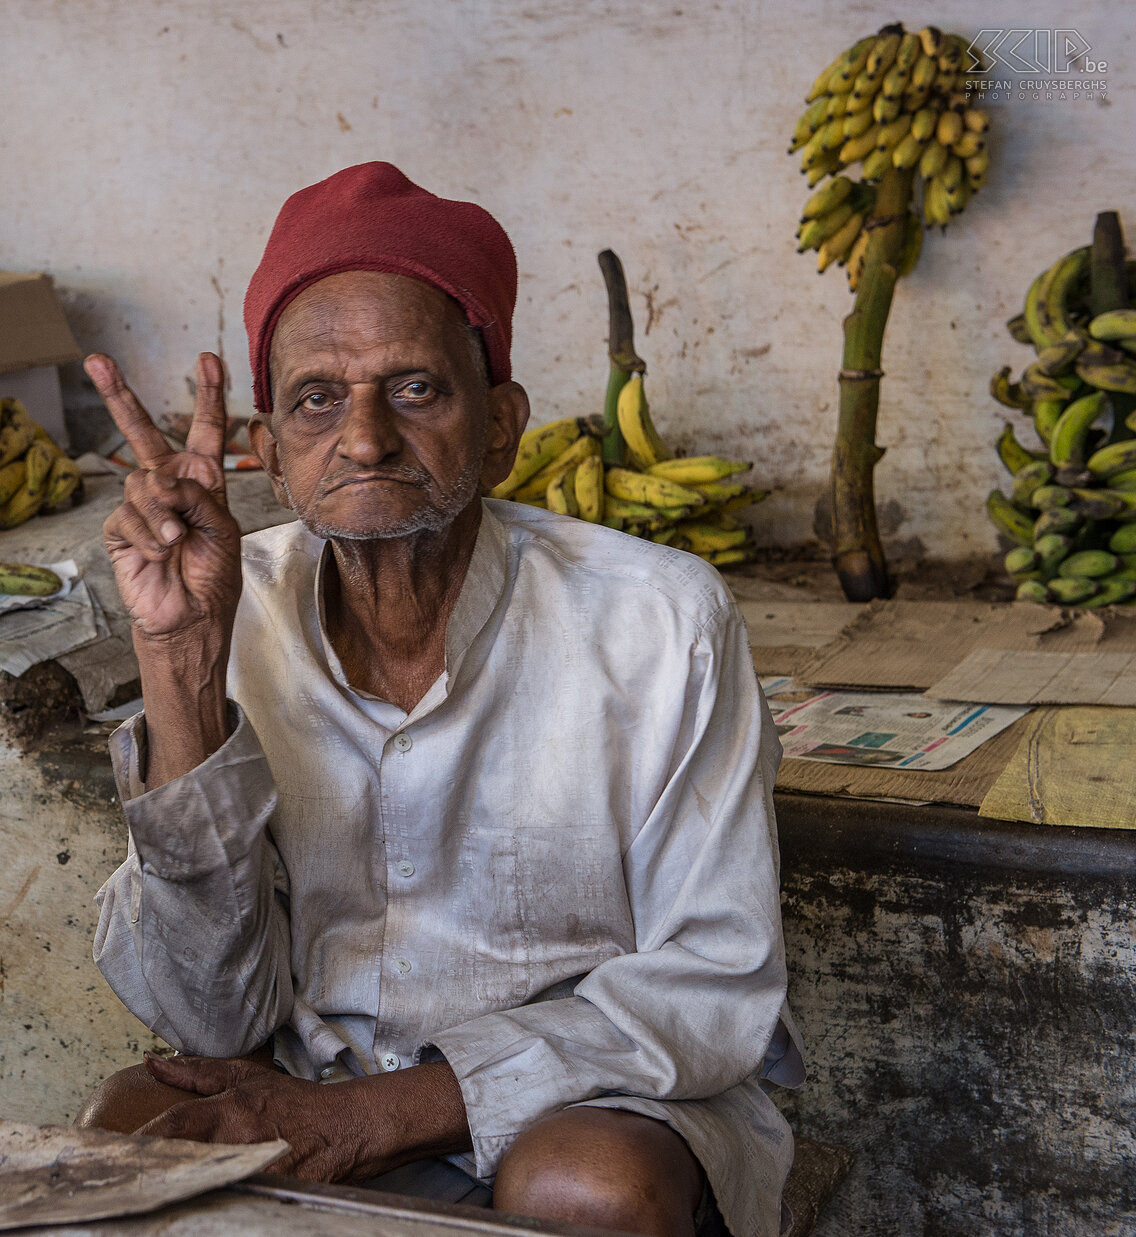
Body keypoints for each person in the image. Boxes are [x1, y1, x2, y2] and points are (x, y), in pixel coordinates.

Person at [78, 162, 802, 1237]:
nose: (363, 439)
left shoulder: (657, 619)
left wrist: (378, 1113)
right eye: (317, 399)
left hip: (586, 1098)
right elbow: (206, 1015)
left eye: (413, 388)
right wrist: (182, 662)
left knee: (584, 1185)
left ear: (500, 426)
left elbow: (712, 984)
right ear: (269, 455)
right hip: (309, 1074)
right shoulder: (225, 598)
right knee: (120, 1128)